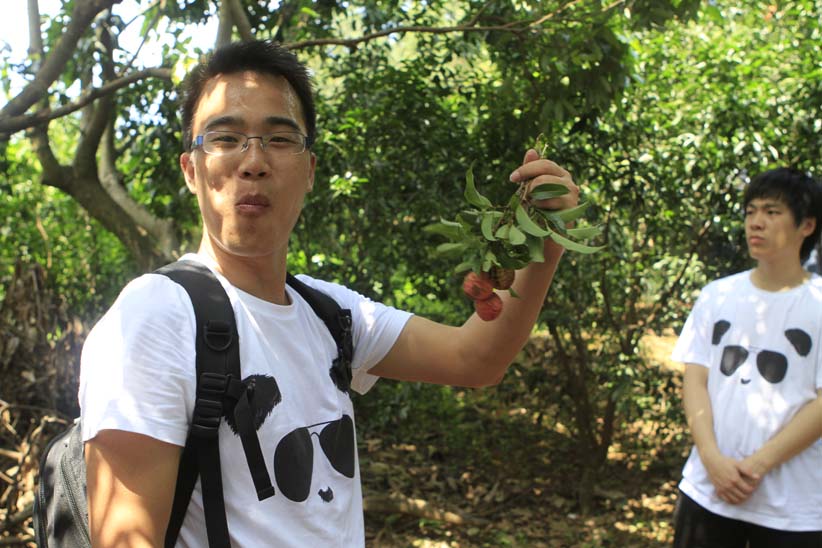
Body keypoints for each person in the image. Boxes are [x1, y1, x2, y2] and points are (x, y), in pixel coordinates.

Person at [79, 40, 580, 547]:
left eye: (279, 140)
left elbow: (476, 358)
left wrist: (544, 238)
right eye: (226, 138)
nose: (253, 162)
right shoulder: (155, 317)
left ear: (310, 171)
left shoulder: (330, 313)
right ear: (192, 170)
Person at [671, 167, 822, 547]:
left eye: (772, 212)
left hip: (794, 510)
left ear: (807, 225)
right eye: (751, 211)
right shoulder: (717, 295)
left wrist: (757, 465)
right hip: (707, 492)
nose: (756, 222)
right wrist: (711, 459)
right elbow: (696, 379)